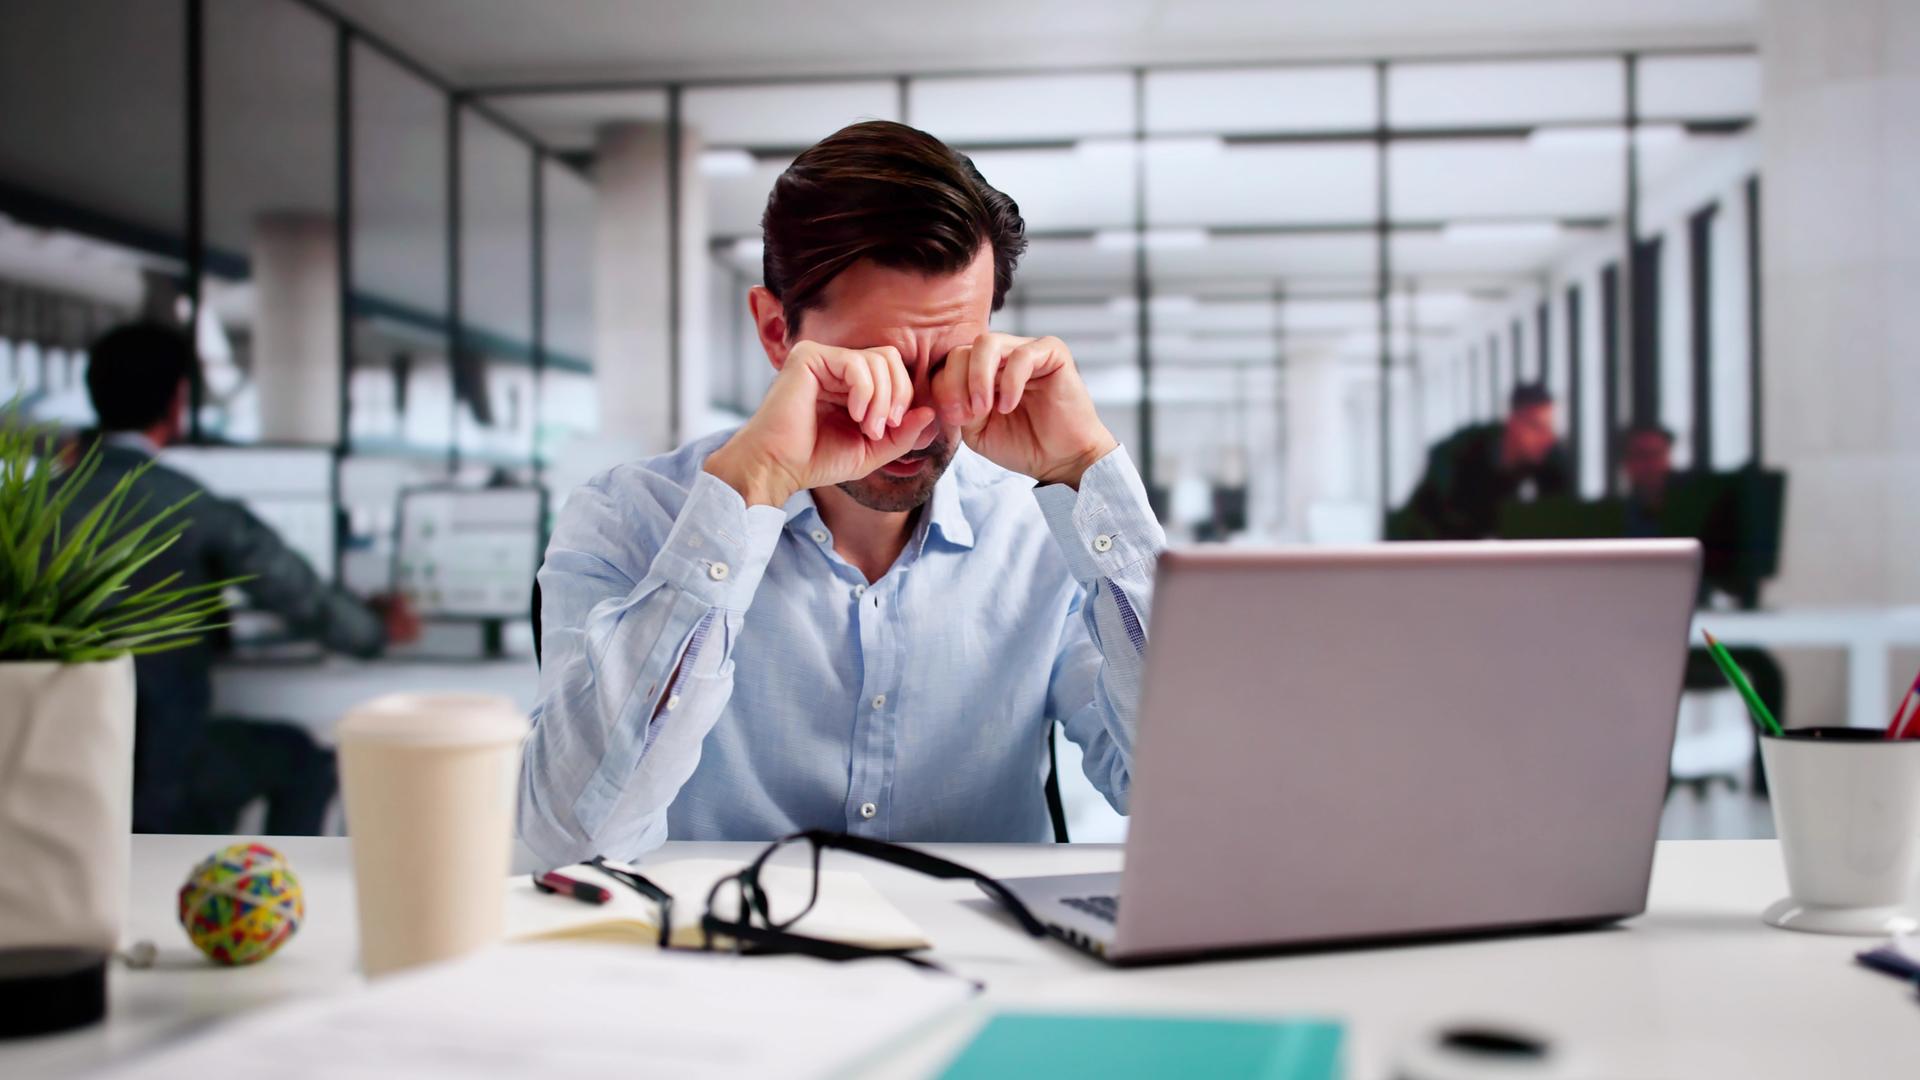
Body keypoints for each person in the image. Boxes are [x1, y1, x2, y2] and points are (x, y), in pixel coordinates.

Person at [522, 121, 1165, 864]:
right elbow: (570, 839)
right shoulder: (628, 519)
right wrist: (748, 491)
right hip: (716, 937)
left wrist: (1086, 469)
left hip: (978, 937)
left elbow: (1190, 794)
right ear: (776, 332)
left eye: (948, 364)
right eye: (874, 367)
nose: (917, 421)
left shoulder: (1039, 531)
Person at [66, 323, 421, 833]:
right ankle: (264, 880)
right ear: (177, 401)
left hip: (59, 759)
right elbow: (294, 591)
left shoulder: (31, 508)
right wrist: (375, 629)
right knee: (301, 759)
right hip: (166, 763)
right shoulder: (189, 504)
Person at [1389, 383, 1571, 540]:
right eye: (1537, 427)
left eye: (1550, 429)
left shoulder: (1546, 458)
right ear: (1514, 423)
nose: (1547, 438)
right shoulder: (1463, 452)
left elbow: (1559, 516)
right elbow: (1441, 512)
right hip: (1421, 539)